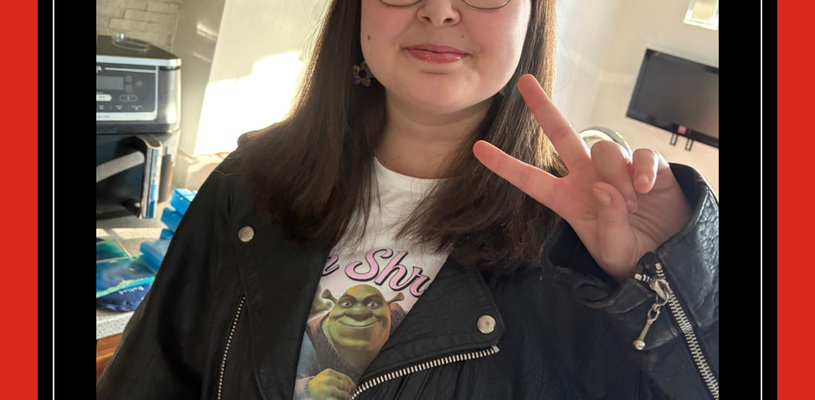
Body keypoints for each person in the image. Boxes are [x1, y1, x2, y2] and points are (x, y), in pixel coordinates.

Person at [96, 0, 719, 399]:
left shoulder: (584, 243)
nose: (440, 9)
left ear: (533, 18)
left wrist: (669, 282)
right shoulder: (249, 182)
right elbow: (150, 376)